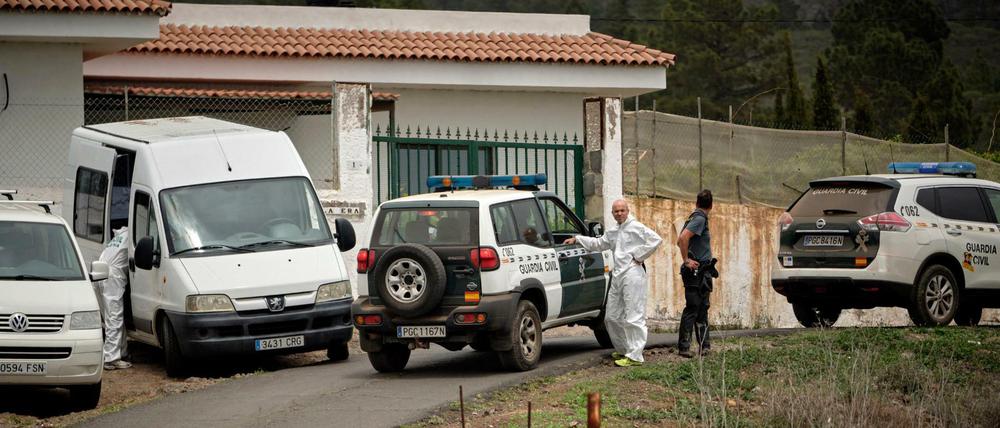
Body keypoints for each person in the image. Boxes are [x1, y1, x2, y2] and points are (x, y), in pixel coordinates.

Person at [565, 199, 662, 367]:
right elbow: (599, 244)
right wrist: (578, 239)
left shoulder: (636, 227)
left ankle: (635, 356)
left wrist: (638, 256)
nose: (619, 213)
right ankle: (624, 349)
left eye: (622, 210)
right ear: (612, 213)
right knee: (611, 317)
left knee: (634, 316)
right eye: (616, 211)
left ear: (627, 210)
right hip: (617, 275)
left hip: (632, 274)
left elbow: (655, 239)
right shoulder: (614, 231)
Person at [676, 190, 716, 358]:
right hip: (695, 272)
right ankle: (684, 347)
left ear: (697, 202)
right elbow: (682, 239)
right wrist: (686, 260)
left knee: (702, 308)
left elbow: (682, 239)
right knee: (693, 307)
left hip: (702, 271)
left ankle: (704, 346)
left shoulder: (695, 217)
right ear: (712, 205)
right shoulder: (699, 219)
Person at [97, 227, 131, 370]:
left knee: (111, 317)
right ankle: (111, 358)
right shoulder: (131, 235)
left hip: (100, 272)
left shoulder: (119, 237)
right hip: (112, 277)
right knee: (114, 317)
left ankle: (121, 351)